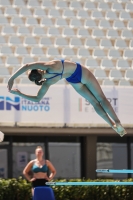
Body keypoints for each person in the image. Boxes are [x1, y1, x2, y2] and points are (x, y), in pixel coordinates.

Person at [7, 59, 127, 137]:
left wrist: (20, 94)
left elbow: (38, 99)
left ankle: (113, 126)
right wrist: (12, 78)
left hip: (73, 81)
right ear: (37, 70)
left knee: (94, 103)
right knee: (101, 98)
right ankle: (117, 122)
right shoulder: (49, 65)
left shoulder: (47, 82)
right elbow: (27, 65)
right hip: (80, 72)